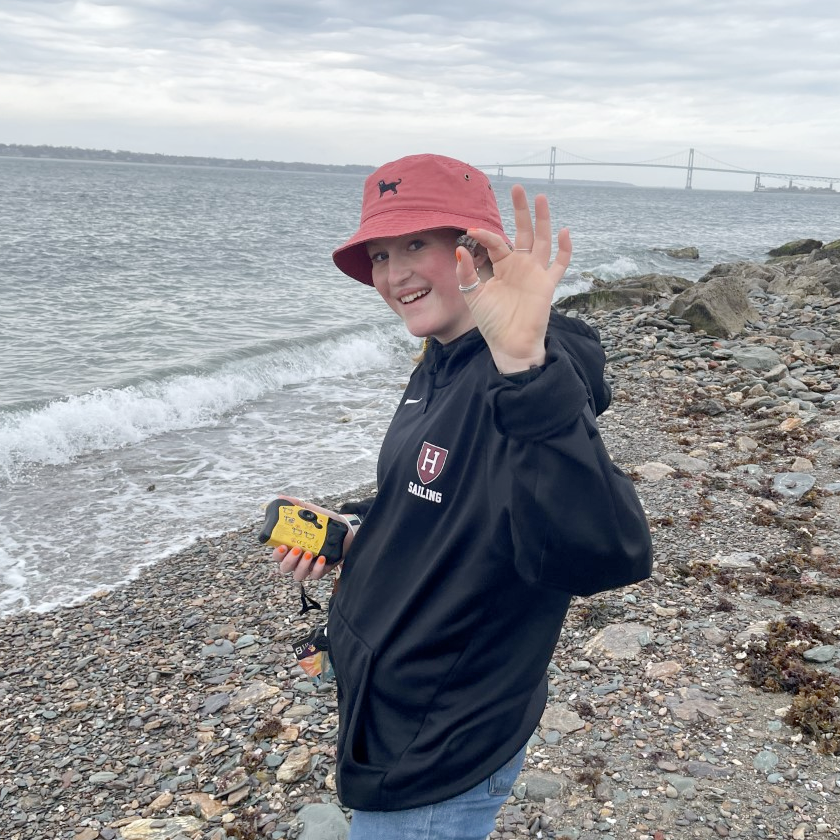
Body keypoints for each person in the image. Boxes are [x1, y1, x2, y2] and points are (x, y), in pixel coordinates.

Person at [274, 154, 653, 840]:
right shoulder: (440, 360)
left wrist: (525, 369)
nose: (395, 275)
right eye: (382, 254)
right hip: (392, 714)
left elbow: (605, 554)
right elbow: (445, 504)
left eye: (419, 244)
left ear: (477, 250)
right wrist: (358, 531)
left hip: (439, 744)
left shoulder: (515, 379)